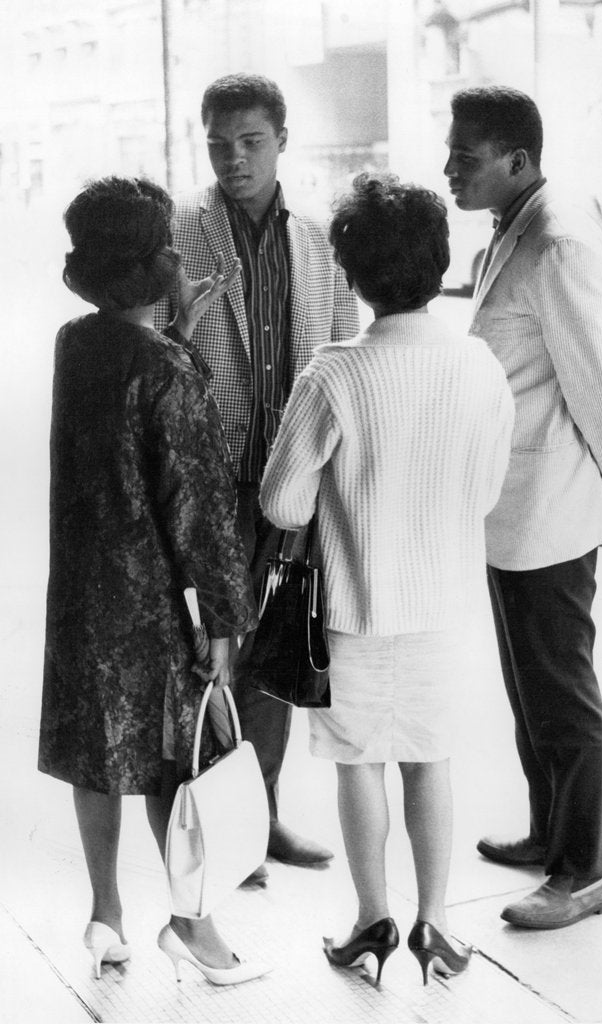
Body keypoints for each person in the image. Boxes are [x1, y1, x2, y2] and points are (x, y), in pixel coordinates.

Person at [260, 173, 514, 983]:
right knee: (429, 758)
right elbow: (483, 494)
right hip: (441, 605)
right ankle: (435, 927)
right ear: (439, 263)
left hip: (352, 608)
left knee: (359, 761)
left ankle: (370, 923)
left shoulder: (333, 373)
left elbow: (283, 502)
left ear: (352, 273)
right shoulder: (481, 367)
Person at [38, 175, 270, 985]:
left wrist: (186, 342)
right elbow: (196, 507)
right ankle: (193, 926)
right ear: (155, 264)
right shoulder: (170, 369)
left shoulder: (78, 342)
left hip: (82, 597)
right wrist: (225, 623)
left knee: (99, 754)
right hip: (155, 605)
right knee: (179, 764)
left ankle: (105, 918)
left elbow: (131, 423)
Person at [444, 85, 602, 930]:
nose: (449, 168)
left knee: (561, 692)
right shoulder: (519, 221)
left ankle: (587, 870)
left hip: (552, 503)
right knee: (530, 684)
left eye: (466, 157)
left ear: (517, 161)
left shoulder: (558, 240)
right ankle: (548, 831)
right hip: (513, 497)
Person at [154, 72, 359, 874]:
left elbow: (342, 355)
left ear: (282, 140)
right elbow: (154, 354)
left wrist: (329, 478)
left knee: (273, 651)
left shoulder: (318, 240)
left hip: (294, 484)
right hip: (205, 484)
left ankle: (259, 816)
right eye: (218, 143)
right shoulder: (174, 232)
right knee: (200, 655)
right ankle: (200, 826)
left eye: (251, 142)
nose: (233, 158)